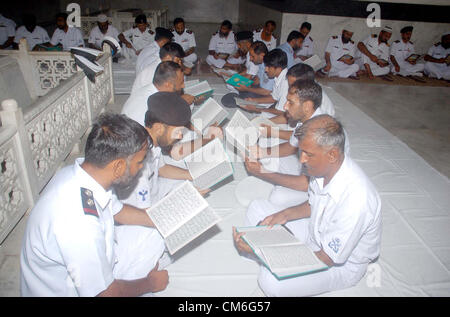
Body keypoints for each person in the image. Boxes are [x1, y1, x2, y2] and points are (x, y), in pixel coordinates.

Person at [21, 113, 169, 296]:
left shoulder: (84, 174)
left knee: (156, 233)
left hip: (92, 267)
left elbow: (119, 211)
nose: (141, 168)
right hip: (74, 291)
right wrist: (150, 283)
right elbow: (103, 293)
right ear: (118, 167)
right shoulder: (78, 222)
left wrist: (164, 218)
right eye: (139, 162)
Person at [233, 114, 382, 297]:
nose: (302, 160)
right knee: (257, 208)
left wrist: (261, 254)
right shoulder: (323, 169)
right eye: (301, 152)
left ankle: (271, 260)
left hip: (340, 265)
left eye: (308, 154)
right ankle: (276, 256)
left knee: (270, 282)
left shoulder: (358, 200)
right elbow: (313, 204)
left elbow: (326, 259)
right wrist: (284, 215)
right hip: (315, 232)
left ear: (332, 155)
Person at [240, 48, 288, 117]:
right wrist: (253, 100)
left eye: (268, 67)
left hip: (285, 116)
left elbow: (282, 112)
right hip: (277, 108)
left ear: (278, 68)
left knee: (255, 116)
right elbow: (274, 97)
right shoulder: (278, 76)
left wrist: (258, 109)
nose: (265, 70)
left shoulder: (286, 83)